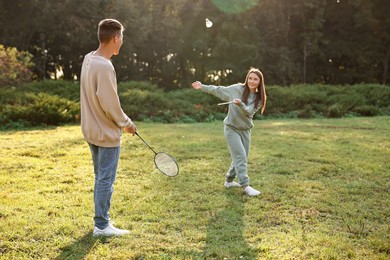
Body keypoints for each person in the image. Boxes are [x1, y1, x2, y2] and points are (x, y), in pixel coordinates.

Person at [80, 18, 137, 236]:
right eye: (121, 37)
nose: (122, 41)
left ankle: (101, 222)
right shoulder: (104, 66)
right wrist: (127, 124)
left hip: (91, 131)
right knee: (105, 179)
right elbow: (110, 104)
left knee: (100, 177)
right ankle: (102, 225)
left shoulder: (88, 58)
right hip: (105, 134)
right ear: (115, 38)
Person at [191, 68, 267, 196]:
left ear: (260, 82)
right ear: (247, 79)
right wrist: (202, 87)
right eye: (250, 78)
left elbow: (248, 111)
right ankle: (245, 185)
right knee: (240, 156)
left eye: (255, 79)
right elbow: (219, 90)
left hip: (245, 130)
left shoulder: (259, 98)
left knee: (240, 156)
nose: (252, 81)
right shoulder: (237, 89)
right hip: (231, 128)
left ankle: (229, 181)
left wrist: (241, 104)